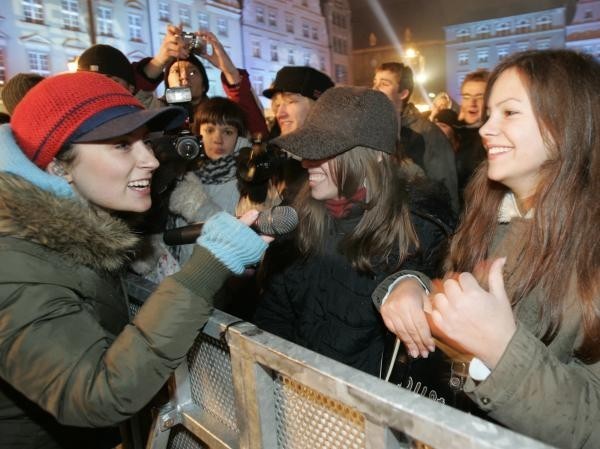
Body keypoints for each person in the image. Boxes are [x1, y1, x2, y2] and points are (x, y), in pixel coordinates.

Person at [0, 71, 270, 449]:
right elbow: (96, 393)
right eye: (122, 146)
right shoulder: (11, 260)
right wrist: (205, 268)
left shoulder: (75, 232)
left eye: (145, 142)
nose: (150, 160)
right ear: (59, 167)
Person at [375, 49, 600, 448]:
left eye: (509, 113)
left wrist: (501, 350)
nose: (484, 128)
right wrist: (409, 287)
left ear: (566, 123)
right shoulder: (488, 212)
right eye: (490, 112)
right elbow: (450, 287)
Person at [254, 87, 453, 376]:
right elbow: (274, 316)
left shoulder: (419, 226)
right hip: (296, 396)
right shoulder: (296, 214)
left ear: (373, 156)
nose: (306, 162)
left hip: (372, 409)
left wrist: (415, 284)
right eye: (308, 150)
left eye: (323, 152)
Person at [373, 62, 459, 214]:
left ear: (403, 93)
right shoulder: (371, 127)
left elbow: (446, 189)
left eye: (384, 83)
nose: (375, 88)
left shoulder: (428, 134)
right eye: (375, 82)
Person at [454, 69, 489, 209]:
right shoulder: (454, 133)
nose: (472, 103)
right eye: (466, 96)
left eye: (480, 97)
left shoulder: (493, 138)